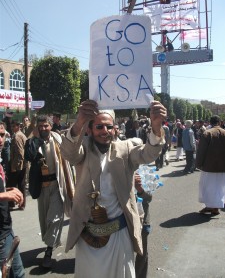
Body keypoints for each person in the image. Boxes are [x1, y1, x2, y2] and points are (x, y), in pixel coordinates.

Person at [60, 99, 167, 278]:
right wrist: (79, 122)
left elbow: (148, 154)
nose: (105, 131)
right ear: (90, 129)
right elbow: (69, 153)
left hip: (119, 233)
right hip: (88, 234)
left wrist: (156, 128)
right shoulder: (83, 148)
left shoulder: (125, 148)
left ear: (115, 129)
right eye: (99, 127)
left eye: (109, 127)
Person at [24, 115, 75, 268]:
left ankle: (48, 251)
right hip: (42, 186)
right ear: (37, 128)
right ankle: (51, 241)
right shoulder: (33, 142)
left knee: (55, 218)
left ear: (50, 126)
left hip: (58, 184)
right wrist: (37, 138)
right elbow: (29, 156)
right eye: (41, 126)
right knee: (45, 219)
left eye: (46, 126)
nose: (44, 128)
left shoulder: (58, 140)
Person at [0, 121, 25, 278]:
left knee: (19, 274)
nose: (0, 140)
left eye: (2, 135)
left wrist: (9, 190)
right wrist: (3, 195)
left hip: (6, 229)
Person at [196, 115, 225, 216]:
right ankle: (215, 207)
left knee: (207, 187)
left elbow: (201, 151)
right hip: (222, 166)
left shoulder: (207, 133)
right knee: (219, 187)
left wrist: (199, 163)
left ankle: (210, 207)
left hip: (209, 167)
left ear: (210, 123)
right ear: (220, 122)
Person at [134, 172, 152, 278]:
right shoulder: (117, 170)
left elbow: (149, 198)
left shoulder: (143, 173)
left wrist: (139, 188)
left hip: (142, 221)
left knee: (142, 253)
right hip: (123, 220)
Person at [7, 120, 27, 210]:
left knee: (12, 184)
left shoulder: (17, 136)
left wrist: (14, 167)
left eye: (13, 126)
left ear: (18, 127)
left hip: (18, 165)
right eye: (11, 126)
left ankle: (11, 203)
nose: (12, 128)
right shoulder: (21, 135)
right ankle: (22, 204)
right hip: (23, 164)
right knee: (21, 184)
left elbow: (20, 152)